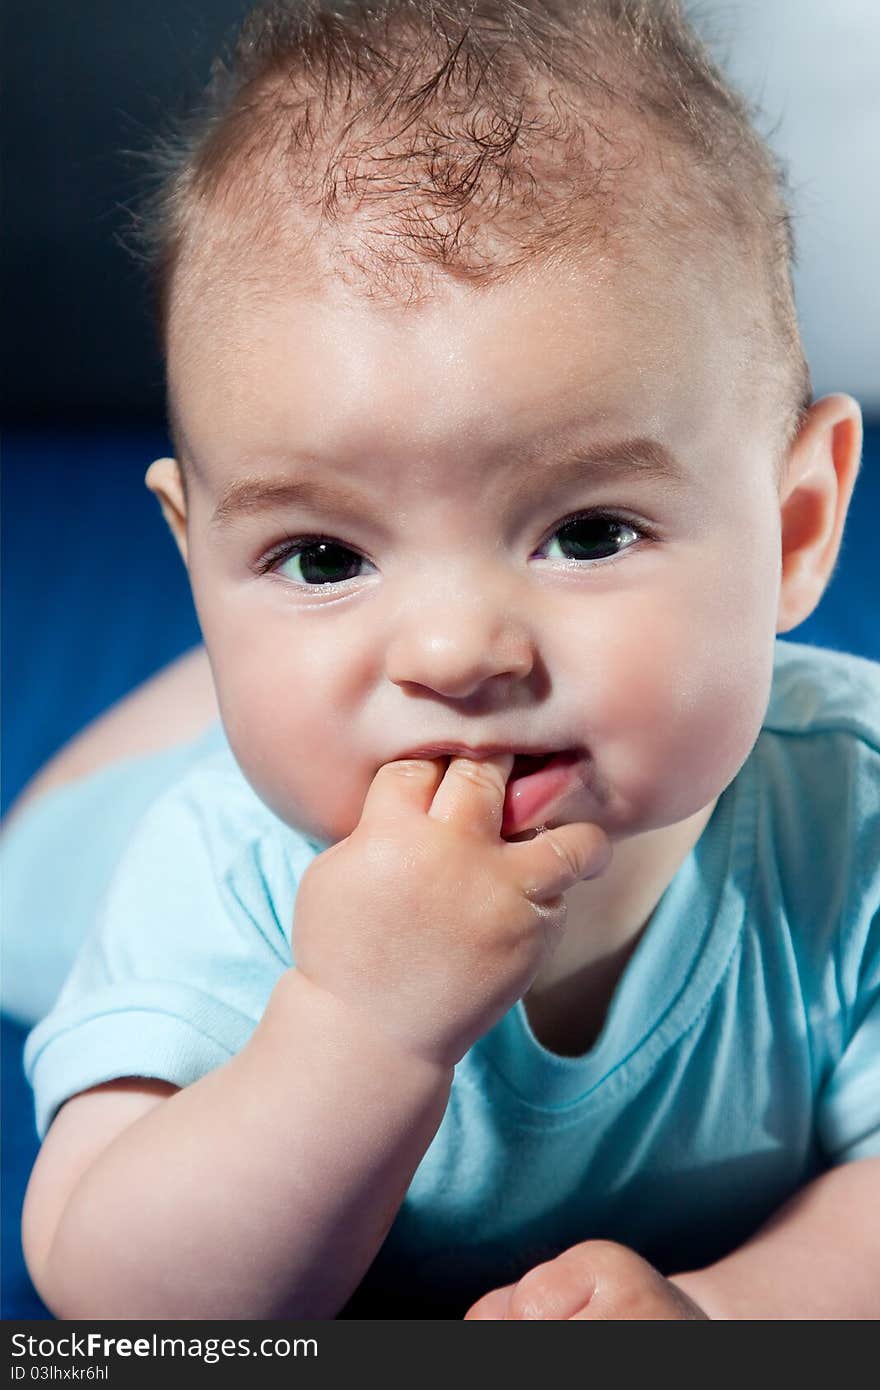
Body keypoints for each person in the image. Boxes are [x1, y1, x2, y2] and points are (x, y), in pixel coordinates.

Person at [4, 0, 878, 1319]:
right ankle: (185, 701)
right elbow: (108, 1291)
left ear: (798, 526)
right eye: (322, 555)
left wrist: (722, 1311)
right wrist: (356, 1030)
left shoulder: (848, 810)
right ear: (197, 568)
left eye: (588, 532)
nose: (455, 652)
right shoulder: (224, 871)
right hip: (81, 848)